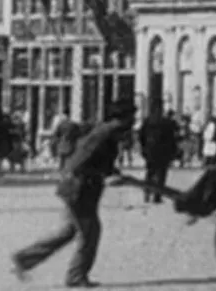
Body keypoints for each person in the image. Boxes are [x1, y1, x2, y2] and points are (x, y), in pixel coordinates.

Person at [11, 98, 137, 288]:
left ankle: (24, 259)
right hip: (79, 189)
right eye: (130, 118)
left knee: (69, 231)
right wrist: (102, 176)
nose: (132, 123)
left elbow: (99, 162)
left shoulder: (108, 134)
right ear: (122, 119)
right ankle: (76, 277)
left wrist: (112, 174)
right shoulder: (106, 133)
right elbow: (81, 161)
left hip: (80, 187)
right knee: (90, 233)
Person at [138, 106, 177, 204]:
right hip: (163, 152)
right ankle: (157, 196)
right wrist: (173, 152)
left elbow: (141, 136)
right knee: (161, 174)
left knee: (150, 172)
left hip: (150, 151)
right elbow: (172, 139)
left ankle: (147, 192)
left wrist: (144, 148)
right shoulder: (167, 122)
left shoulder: (147, 121)